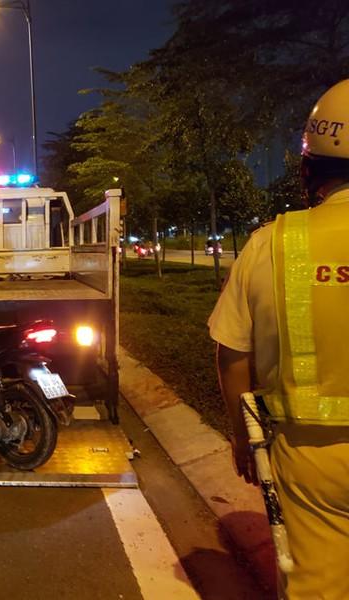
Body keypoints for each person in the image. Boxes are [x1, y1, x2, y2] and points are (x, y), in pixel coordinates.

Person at [209, 79, 349, 599]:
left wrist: (242, 436)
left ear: (310, 168)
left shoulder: (273, 244)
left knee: (317, 585)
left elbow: (232, 354)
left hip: (309, 457)